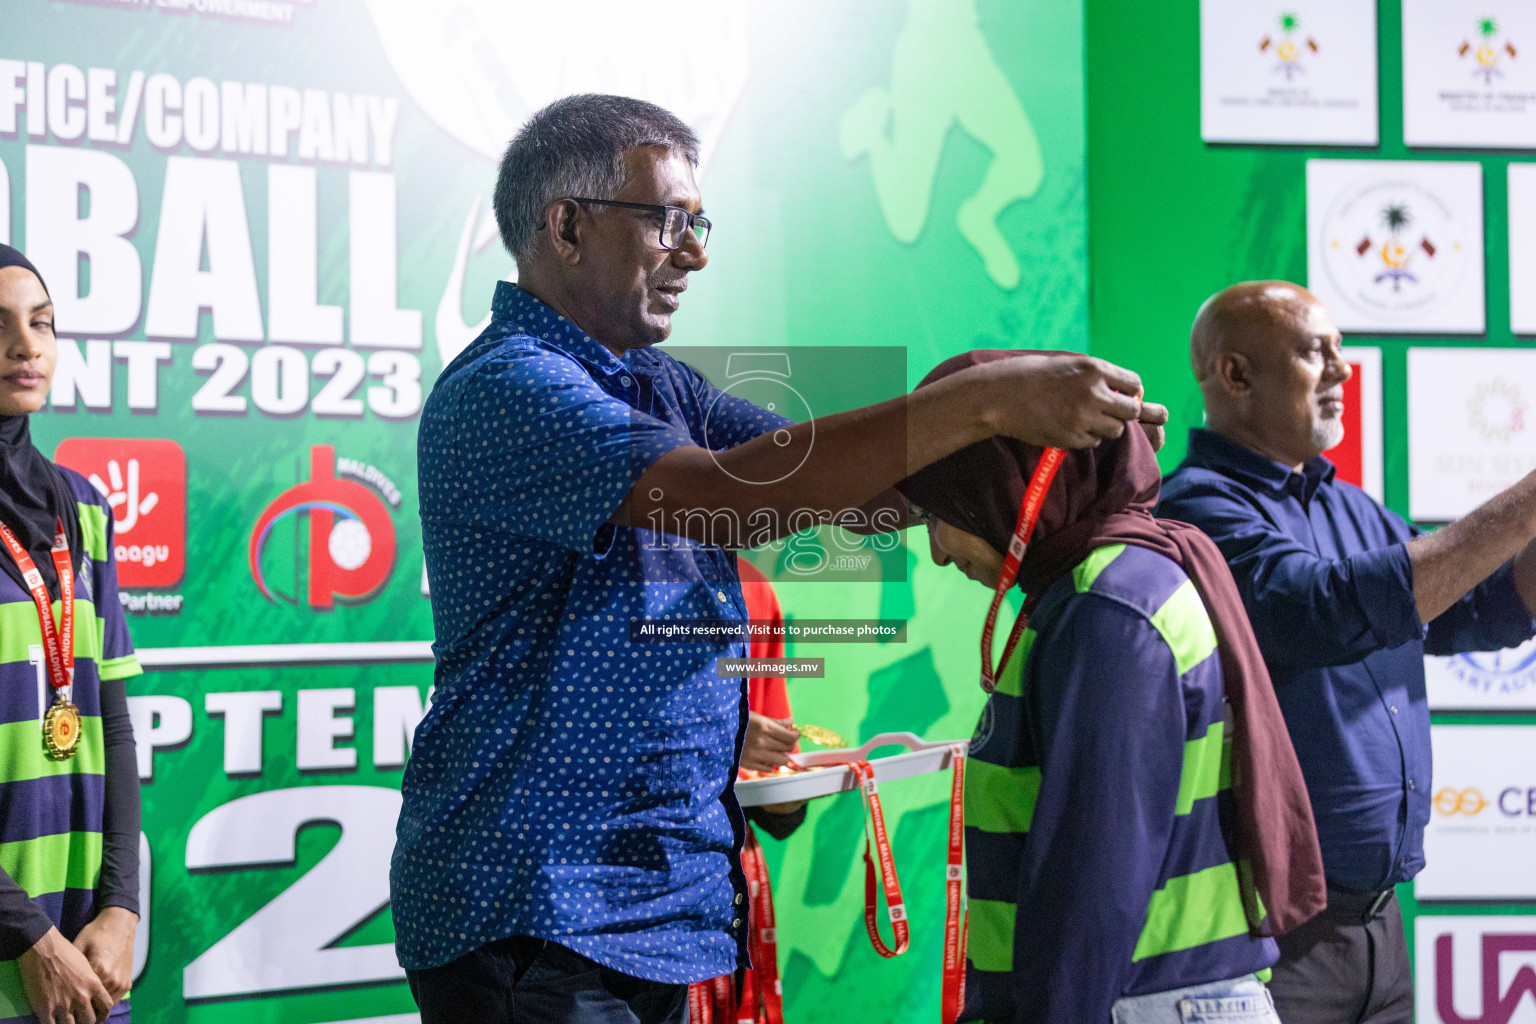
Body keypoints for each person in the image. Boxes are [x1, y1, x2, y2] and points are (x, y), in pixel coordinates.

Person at [392, 93, 1168, 1024]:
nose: (696, 252)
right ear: (567, 225)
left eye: (700, 223)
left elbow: (840, 491)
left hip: (652, 910)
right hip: (537, 915)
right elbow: (735, 498)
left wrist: (1053, 449)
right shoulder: (510, 387)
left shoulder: (654, 381)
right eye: (669, 221)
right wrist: (992, 404)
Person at [899, 350, 1324, 1024]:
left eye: (938, 513)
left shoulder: (1109, 609)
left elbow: (1091, 890)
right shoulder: (1107, 586)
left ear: (1003, 487)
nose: (940, 552)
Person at [1157, 281, 1536, 1024]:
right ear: (1235, 375)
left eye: (1339, 351)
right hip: (1268, 939)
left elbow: (1475, 610)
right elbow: (1324, 610)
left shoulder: (1351, 507)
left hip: (1378, 930)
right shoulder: (1195, 510)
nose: (1342, 371)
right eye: (1314, 353)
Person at [0, 244, 142, 1024]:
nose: (26, 346)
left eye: (43, 323)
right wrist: (27, 937)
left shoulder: (83, 507)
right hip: (24, 955)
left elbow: (111, 724)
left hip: (87, 964)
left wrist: (121, 908)